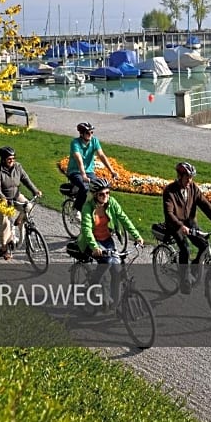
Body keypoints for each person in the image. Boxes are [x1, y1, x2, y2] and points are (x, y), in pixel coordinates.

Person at [162, 161, 211, 293]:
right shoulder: (170, 191)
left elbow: (204, 204)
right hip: (175, 225)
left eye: (191, 178)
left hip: (190, 223)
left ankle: (192, 268)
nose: (190, 180)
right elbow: (169, 214)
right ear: (180, 176)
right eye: (187, 177)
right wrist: (180, 226)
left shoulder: (193, 188)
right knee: (185, 249)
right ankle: (183, 281)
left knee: (204, 245)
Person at [77, 178, 143, 307]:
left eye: (108, 193)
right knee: (106, 262)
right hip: (92, 241)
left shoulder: (111, 202)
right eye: (102, 194)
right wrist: (94, 247)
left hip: (106, 239)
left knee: (117, 269)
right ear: (95, 194)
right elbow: (86, 229)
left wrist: (137, 236)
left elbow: (124, 218)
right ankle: (91, 286)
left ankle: (114, 303)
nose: (106, 196)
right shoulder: (87, 207)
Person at [0, 146, 42, 260]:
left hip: (16, 195)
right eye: (9, 159)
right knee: (5, 223)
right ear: (3, 159)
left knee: (28, 206)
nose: (12, 160)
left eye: (13, 158)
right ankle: (5, 248)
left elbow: (26, 179)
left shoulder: (18, 167)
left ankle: (18, 220)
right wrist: (3, 198)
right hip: (2, 201)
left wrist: (35, 190)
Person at [65, 121, 119, 213]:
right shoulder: (75, 143)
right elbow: (79, 160)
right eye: (88, 132)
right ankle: (76, 210)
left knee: (100, 187)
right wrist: (83, 175)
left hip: (89, 172)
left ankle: (94, 208)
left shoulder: (94, 141)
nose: (90, 134)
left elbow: (101, 155)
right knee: (84, 188)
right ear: (81, 134)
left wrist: (112, 171)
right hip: (75, 171)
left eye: (92, 132)